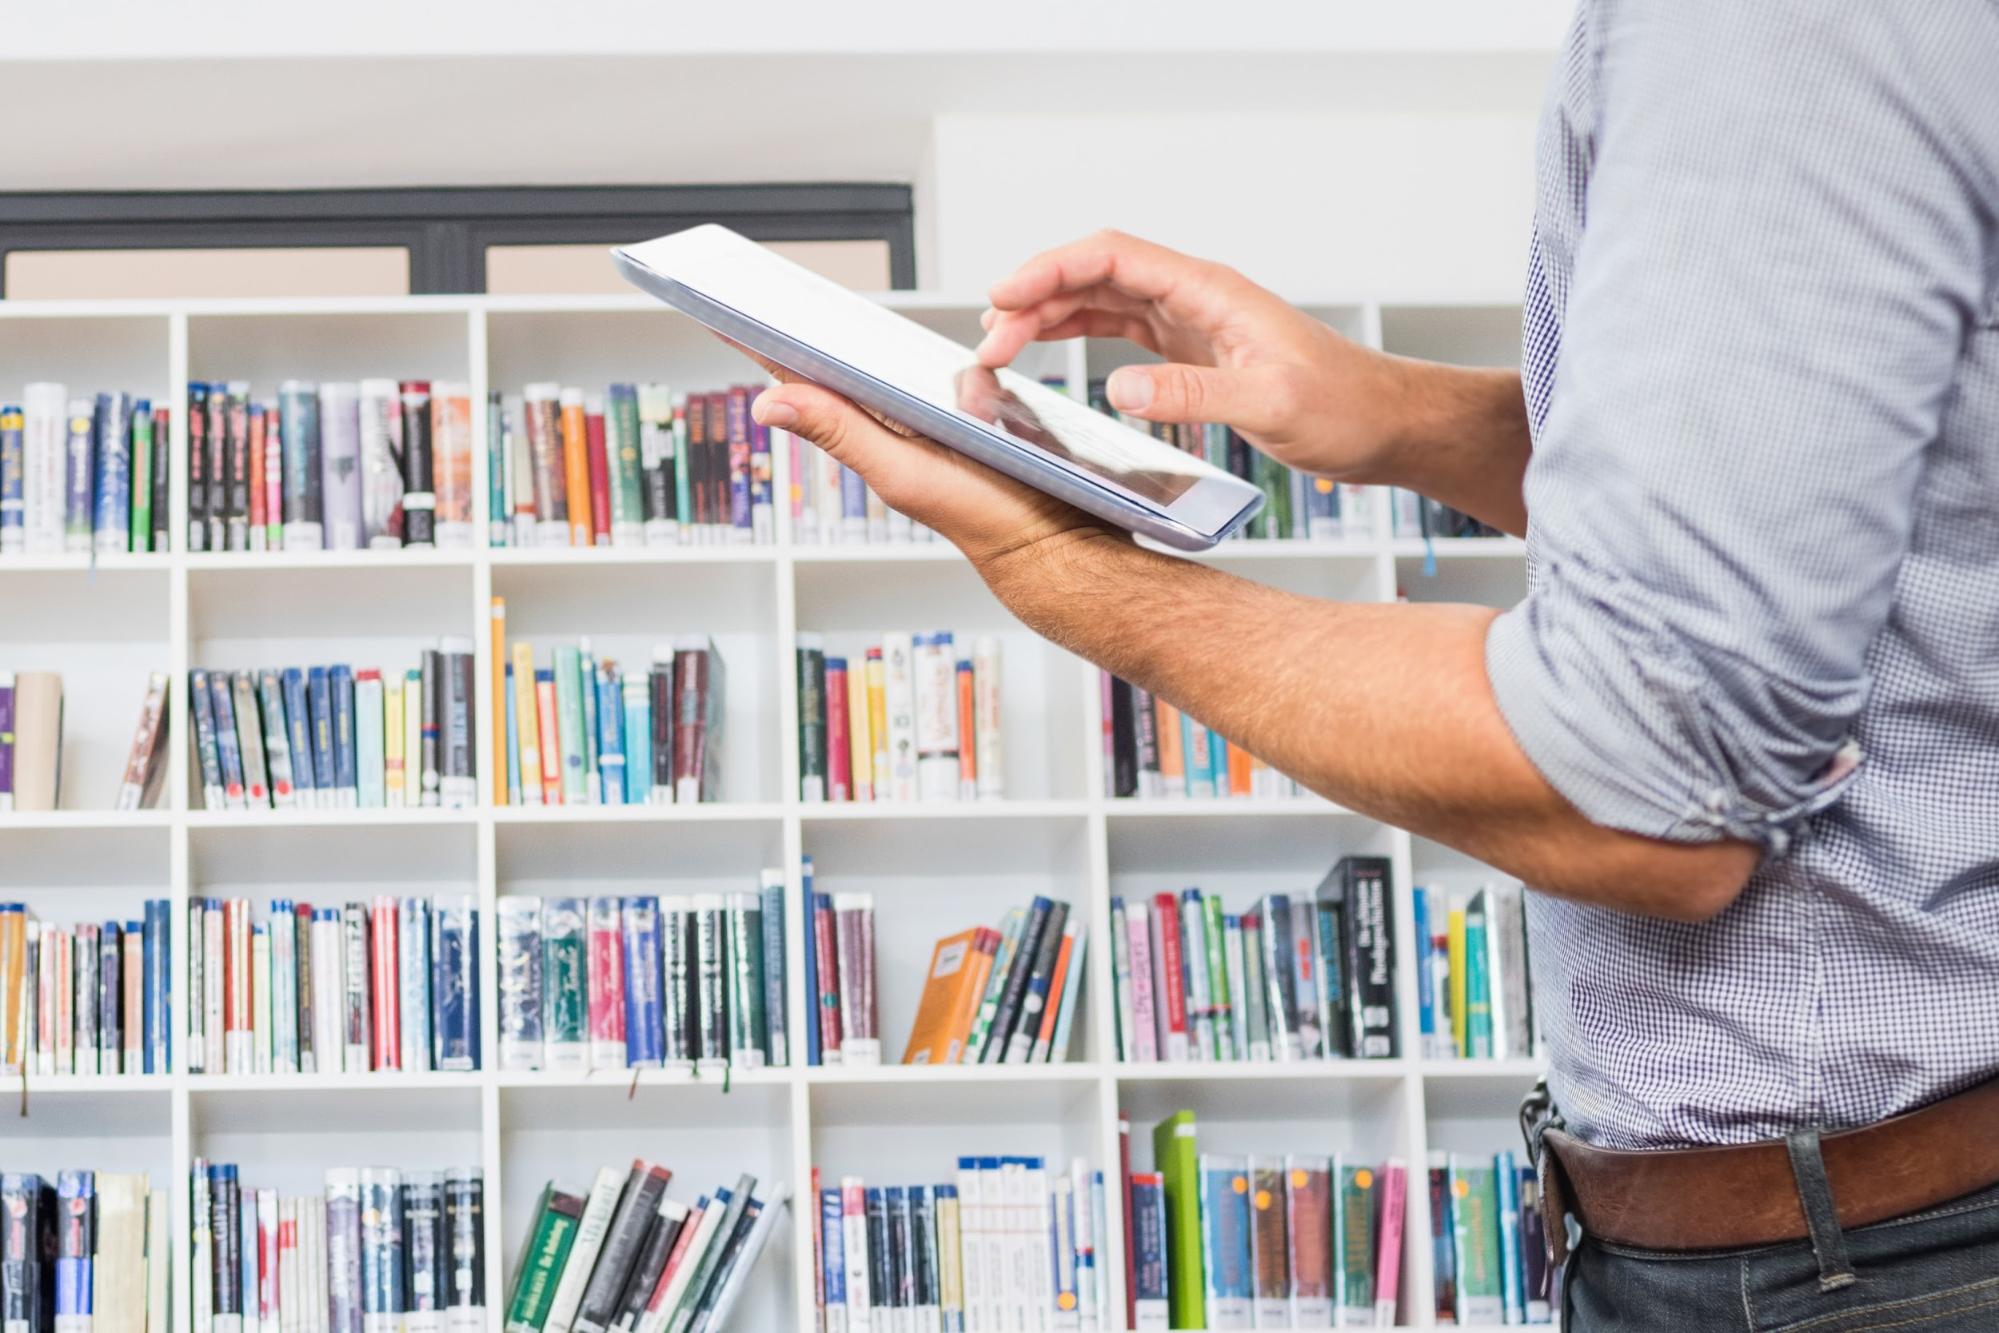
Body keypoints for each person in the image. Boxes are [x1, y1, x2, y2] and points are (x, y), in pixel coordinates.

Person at [747, 1, 1999, 1326]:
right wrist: (1386, 412)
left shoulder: (1775, 29)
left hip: (1869, 1258)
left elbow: (1644, 785)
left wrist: (1062, 566)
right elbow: (1801, 476)